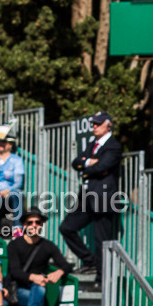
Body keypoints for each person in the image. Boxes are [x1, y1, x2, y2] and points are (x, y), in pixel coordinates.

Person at [60, 112, 123, 277]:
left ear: (108, 126)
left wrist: (86, 165)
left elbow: (101, 166)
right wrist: (88, 162)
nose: (94, 126)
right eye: (93, 123)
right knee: (67, 227)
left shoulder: (113, 146)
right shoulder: (92, 143)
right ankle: (90, 261)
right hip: (87, 196)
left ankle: (102, 278)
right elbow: (76, 162)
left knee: (101, 240)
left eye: (98, 124)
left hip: (103, 197)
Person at [6, 209, 72, 306]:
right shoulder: (14, 245)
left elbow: (66, 265)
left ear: (42, 225)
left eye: (37, 222)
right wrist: (33, 277)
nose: (34, 225)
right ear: (24, 225)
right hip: (17, 291)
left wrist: (59, 272)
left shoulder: (47, 245)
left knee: (39, 291)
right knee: (39, 293)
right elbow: (14, 271)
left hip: (36, 290)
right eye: (30, 223)